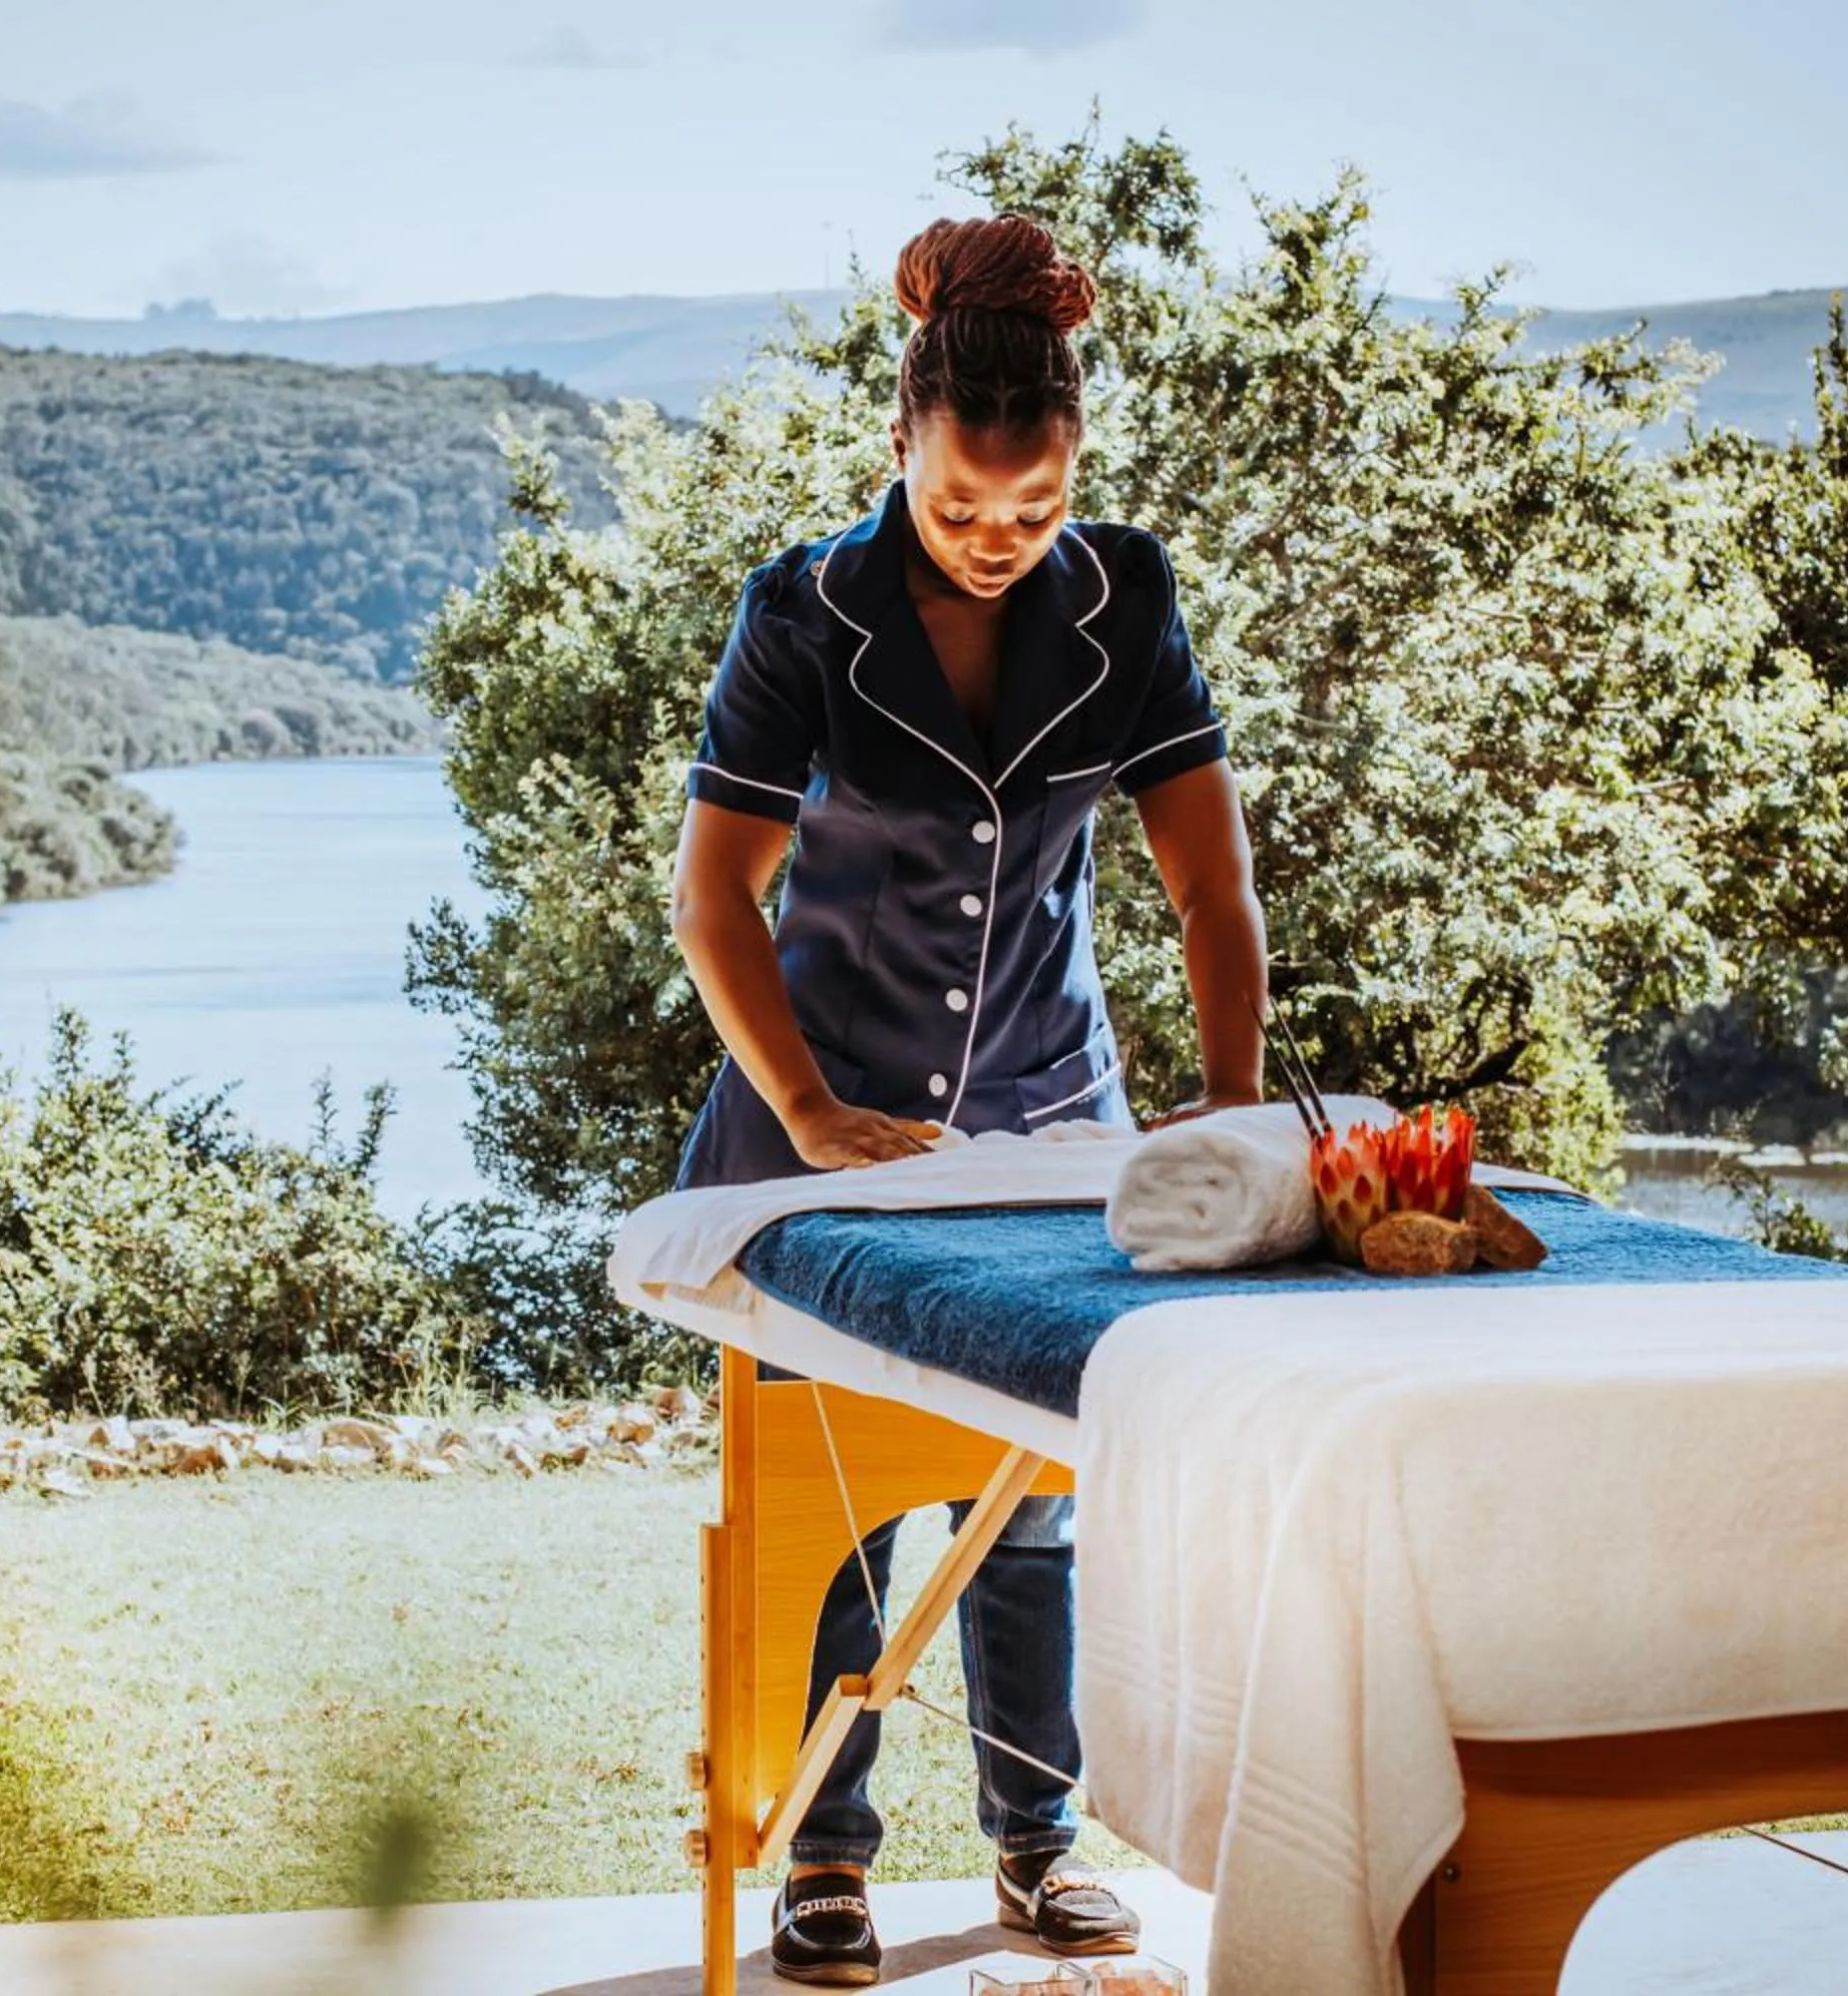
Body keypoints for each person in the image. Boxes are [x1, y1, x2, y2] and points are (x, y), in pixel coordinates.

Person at [666, 213, 1269, 1986]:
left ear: (1075, 470)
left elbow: (1209, 887)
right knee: (837, 1507)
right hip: (825, 1131)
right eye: (958, 509)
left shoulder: (1125, 600)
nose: (998, 538)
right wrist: (808, 1111)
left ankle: (1037, 1847)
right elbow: (713, 901)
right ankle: (820, 1856)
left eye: (1033, 507)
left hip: (1049, 1112)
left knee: (1034, 1505)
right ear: (900, 451)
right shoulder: (804, 613)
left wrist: (1231, 1105)